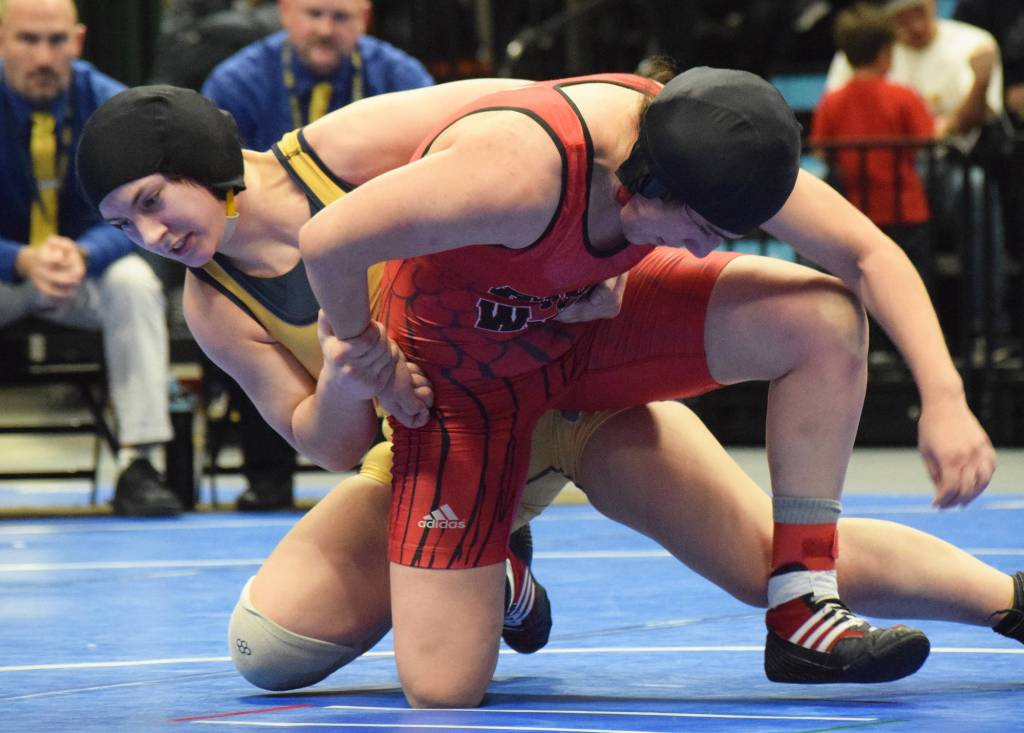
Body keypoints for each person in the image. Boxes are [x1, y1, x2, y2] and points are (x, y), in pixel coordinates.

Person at [76, 81, 1019, 701]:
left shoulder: (353, 147)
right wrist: (350, 360)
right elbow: (322, 442)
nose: (152, 234)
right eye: (128, 223)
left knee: (756, 556)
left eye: (155, 200)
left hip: (581, 377)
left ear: (203, 160)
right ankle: (505, 567)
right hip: (448, 417)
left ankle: (1002, 596)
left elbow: (542, 127)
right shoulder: (215, 305)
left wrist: (593, 246)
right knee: (275, 652)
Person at [200, 0, 435, 510]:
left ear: (366, 18)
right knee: (246, 310)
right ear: (285, 14)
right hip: (271, 243)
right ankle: (268, 477)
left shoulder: (400, 74)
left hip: (392, 246)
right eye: (314, 14)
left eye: (341, 16)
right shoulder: (235, 83)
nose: (326, 29)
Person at [0, 0, 182, 516]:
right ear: (2, 43)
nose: (43, 55)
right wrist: (20, 259)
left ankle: (142, 464)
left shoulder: (111, 107)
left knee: (135, 284)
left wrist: (85, 252)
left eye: (56, 41)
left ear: (78, 41)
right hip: (7, 273)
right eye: (28, 40)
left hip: (86, 272)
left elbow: (148, 210)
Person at [825, 0, 1011, 356]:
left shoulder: (974, 43)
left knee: (974, 188)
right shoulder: (883, 72)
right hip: (887, 173)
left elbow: (824, 140)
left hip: (939, 166)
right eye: (902, 17)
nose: (912, 25)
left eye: (919, 12)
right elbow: (925, 133)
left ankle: (987, 331)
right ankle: (838, 333)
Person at [811, 3, 935, 290]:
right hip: (905, 210)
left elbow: (820, 150)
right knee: (910, 286)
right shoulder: (903, 96)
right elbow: (927, 141)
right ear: (885, 54)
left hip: (854, 212)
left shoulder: (833, 101)